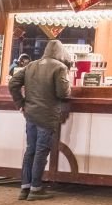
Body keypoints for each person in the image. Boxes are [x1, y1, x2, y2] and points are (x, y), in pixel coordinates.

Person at [8, 40, 71, 201]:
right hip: (47, 115)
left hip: (30, 114)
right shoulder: (60, 67)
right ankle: (36, 189)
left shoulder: (31, 65)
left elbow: (13, 82)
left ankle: (25, 188)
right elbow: (63, 93)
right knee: (41, 151)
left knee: (30, 150)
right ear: (60, 52)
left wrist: (20, 104)